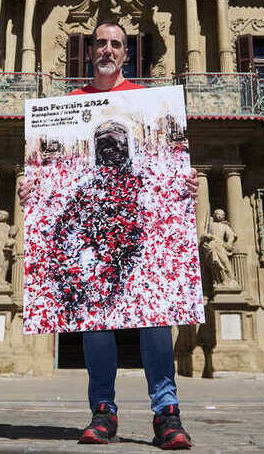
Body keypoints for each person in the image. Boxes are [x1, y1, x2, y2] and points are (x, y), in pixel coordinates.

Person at [19, 22, 196, 450]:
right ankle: (103, 411)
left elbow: (164, 184)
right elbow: (59, 203)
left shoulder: (146, 103)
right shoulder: (71, 105)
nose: (108, 50)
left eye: (116, 44)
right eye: (100, 43)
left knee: (156, 317)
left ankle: (166, 413)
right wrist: (32, 190)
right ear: (90, 50)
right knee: (93, 322)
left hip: (140, 253)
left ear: (126, 54)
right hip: (96, 258)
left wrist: (182, 186)